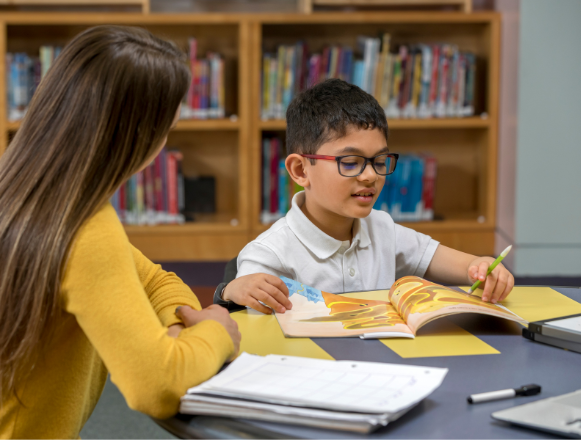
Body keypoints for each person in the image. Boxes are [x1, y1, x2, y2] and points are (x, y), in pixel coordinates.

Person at [0, 25, 240, 438]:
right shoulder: (83, 230)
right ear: (142, 138)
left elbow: (150, 278)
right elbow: (158, 388)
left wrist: (177, 323)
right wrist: (215, 331)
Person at [215, 78, 514, 314]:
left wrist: (482, 267)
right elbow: (243, 301)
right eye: (350, 162)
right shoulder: (269, 253)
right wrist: (234, 289)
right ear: (300, 170)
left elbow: (457, 264)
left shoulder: (381, 227)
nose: (370, 175)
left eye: (379, 161)